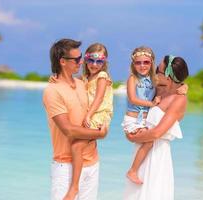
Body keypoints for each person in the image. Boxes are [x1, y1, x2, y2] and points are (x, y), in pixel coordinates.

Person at [43, 38, 108, 200]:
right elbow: (69, 130)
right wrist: (99, 134)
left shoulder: (81, 83)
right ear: (63, 62)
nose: (81, 62)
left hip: (92, 163)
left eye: (82, 58)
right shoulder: (52, 91)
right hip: (65, 167)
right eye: (78, 59)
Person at [123, 55, 189, 200]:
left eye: (158, 69)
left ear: (169, 76)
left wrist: (132, 137)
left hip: (157, 154)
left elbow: (158, 132)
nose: (155, 71)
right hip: (142, 150)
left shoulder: (179, 99)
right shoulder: (160, 90)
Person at [64, 43, 113, 200]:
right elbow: (69, 82)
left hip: (98, 115)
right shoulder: (85, 78)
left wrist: (88, 115)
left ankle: (74, 187)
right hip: (91, 114)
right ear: (85, 60)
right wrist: (55, 78)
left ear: (104, 62)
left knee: (76, 146)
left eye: (99, 61)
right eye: (91, 60)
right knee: (79, 144)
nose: (94, 64)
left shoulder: (102, 77)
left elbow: (98, 98)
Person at [121, 46, 161, 185]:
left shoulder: (154, 80)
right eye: (138, 63)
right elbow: (133, 99)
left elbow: (169, 87)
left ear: (152, 63)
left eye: (146, 62)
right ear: (133, 64)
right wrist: (152, 104)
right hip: (133, 120)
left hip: (146, 120)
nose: (142, 66)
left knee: (151, 144)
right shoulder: (133, 79)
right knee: (149, 141)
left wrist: (182, 87)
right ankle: (132, 170)